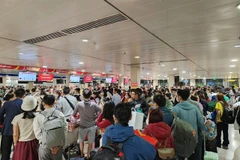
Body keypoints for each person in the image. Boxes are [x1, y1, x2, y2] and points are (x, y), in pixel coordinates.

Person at [172, 89, 205, 160]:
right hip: (193, 137)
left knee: (180, 156)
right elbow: (201, 123)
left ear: (179, 97)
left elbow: (173, 125)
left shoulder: (175, 109)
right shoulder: (195, 108)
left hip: (180, 139)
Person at [33, 95, 67, 160]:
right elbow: (65, 130)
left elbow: (37, 134)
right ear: (54, 103)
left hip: (44, 146)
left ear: (43, 103)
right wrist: (59, 145)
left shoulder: (38, 117)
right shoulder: (60, 114)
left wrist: (47, 144)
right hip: (58, 146)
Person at [72, 89, 102, 160]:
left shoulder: (79, 104)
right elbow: (100, 111)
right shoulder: (94, 104)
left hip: (82, 125)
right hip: (92, 125)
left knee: (81, 141)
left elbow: (74, 114)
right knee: (90, 142)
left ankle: (82, 154)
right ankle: (88, 155)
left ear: (83, 95)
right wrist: (95, 117)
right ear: (90, 95)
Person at [0, 88, 25, 160]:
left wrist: (3, 123)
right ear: (23, 95)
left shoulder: (7, 104)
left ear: (14, 94)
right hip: (20, 131)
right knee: (18, 152)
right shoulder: (24, 104)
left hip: (7, 129)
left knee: (5, 152)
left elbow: (0, 114)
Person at [12, 96, 39, 160]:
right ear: (35, 106)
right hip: (34, 142)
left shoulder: (17, 118)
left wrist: (15, 144)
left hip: (21, 144)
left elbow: (15, 134)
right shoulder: (38, 117)